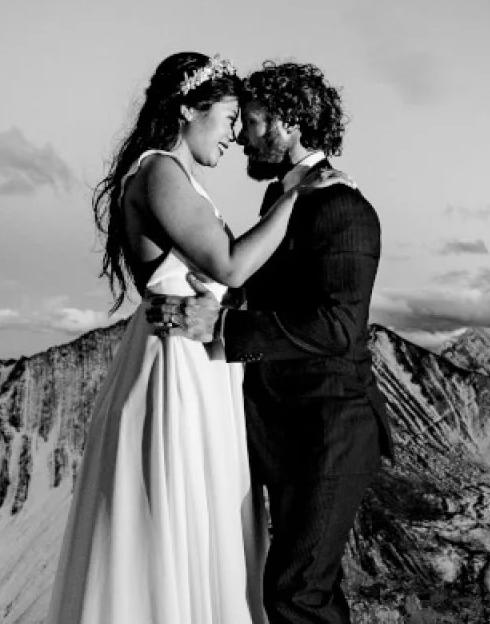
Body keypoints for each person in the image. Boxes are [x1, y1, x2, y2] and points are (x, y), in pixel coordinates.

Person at [47, 52, 351, 624]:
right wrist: (301, 194)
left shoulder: (178, 178)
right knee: (175, 521)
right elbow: (232, 265)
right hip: (175, 369)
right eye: (230, 117)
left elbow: (229, 283)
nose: (236, 136)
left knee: (203, 524)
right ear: (188, 108)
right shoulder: (159, 170)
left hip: (202, 363)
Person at [147, 59, 392, 624]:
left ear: (288, 124)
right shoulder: (283, 201)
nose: (242, 136)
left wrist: (223, 328)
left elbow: (339, 328)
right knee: (306, 593)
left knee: (296, 597)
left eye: (253, 122)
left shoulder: (343, 208)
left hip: (330, 427)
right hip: (283, 429)